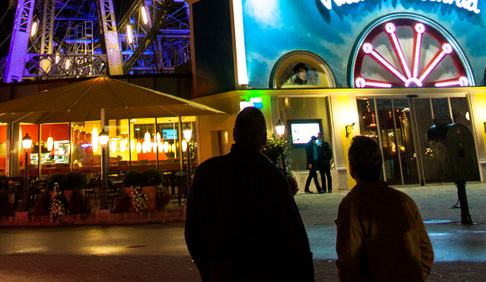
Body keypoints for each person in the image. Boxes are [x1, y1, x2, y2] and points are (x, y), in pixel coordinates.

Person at [185, 106, 314, 281]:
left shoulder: (207, 172)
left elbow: (193, 232)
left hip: (220, 273)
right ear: (264, 139)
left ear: (234, 134)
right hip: (262, 274)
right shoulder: (270, 176)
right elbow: (291, 239)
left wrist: (209, 270)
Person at [336, 135, 433, 282]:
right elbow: (426, 251)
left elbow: (349, 260)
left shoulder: (352, 206)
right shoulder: (404, 201)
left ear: (352, 169)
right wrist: (416, 275)